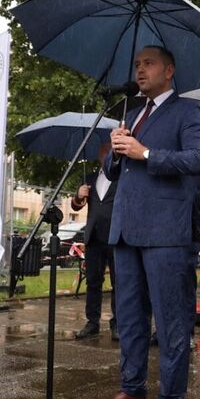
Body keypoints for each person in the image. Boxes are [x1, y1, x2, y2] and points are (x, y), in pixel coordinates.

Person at [87, 45, 200, 399]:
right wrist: (116, 148)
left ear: (169, 70)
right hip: (126, 230)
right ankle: (132, 390)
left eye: (149, 63)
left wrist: (147, 152)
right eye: (137, 64)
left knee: (172, 320)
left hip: (166, 234)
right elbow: (115, 168)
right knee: (129, 316)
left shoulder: (190, 111)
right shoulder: (132, 114)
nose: (140, 70)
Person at [71, 142, 118, 340]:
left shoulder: (121, 177)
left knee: (120, 282)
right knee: (93, 281)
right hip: (94, 238)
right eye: (103, 151)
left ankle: (118, 324)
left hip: (116, 237)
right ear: (99, 156)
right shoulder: (89, 179)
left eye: (109, 151)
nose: (105, 154)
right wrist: (78, 196)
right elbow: (76, 207)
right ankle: (92, 322)